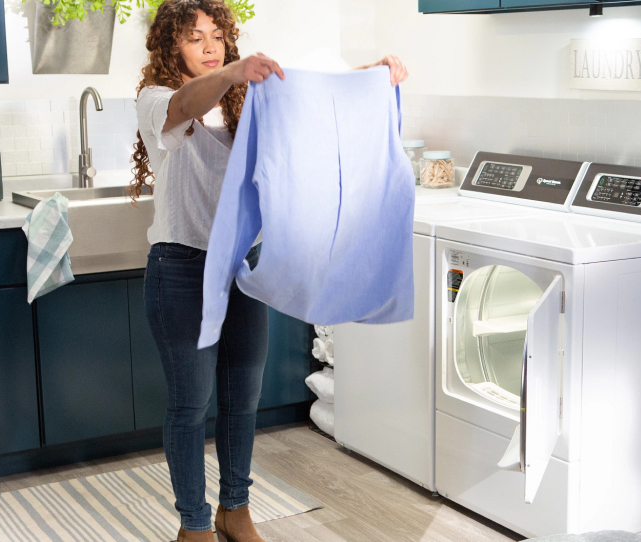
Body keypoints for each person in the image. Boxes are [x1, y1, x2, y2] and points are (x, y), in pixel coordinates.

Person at [129, 1, 408, 540]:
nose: (209, 47)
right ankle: (193, 525)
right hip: (181, 268)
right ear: (171, 47)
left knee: (241, 400)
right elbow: (186, 103)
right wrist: (234, 69)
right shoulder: (156, 99)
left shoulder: (246, 102)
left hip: (240, 267)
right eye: (194, 38)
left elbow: (306, 91)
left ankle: (234, 511)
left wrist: (372, 75)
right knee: (190, 405)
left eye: (216, 36)